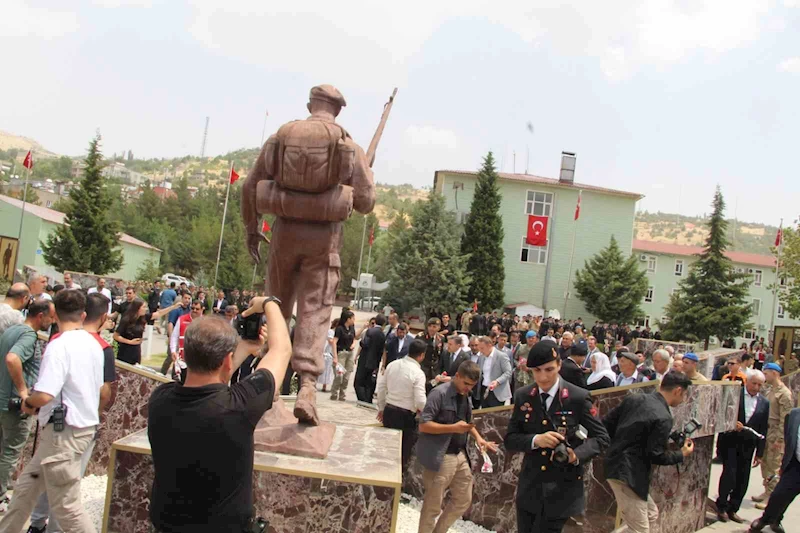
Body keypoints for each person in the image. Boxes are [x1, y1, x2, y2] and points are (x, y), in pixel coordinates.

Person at [241, 84, 376, 426]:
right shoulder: (348, 144)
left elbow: (250, 185)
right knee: (315, 309)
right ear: (338, 110)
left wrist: (251, 228)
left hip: (283, 233)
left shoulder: (283, 135)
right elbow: (365, 203)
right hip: (323, 239)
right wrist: (365, 174)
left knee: (276, 306)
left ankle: (267, 386)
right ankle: (308, 387)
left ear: (310, 105)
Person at [148, 297, 292, 532]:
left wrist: (243, 348)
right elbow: (282, 349)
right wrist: (268, 302)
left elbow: (200, 380)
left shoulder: (160, 401)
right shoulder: (237, 408)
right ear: (227, 360)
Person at [0, 290, 104, 532]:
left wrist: (28, 401)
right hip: (72, 430)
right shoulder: (94, 345)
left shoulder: (59, 345)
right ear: (84, 314)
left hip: (63, 434)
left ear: (55, 312)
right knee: (25, 491)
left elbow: (45, 394)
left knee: (67, 508)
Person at [27, 292, 119, 533]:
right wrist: (96, 416)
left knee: (46, 480)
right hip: (80, 427)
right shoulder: (101, 348)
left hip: (54, 423)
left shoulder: (59, 339)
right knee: (68, 488)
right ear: (103, 317)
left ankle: (36, 524)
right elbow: (104, 391)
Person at [504, 340, 609, 533]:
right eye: (537, 371)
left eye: (549, 369)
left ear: (559, 365)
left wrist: (575, 455)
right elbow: (510, 439)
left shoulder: (577, 397)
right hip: (530, 488)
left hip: (561, 489)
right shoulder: (524, 396)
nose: (543, 377)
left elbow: (601, 437)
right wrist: (536, 440)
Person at [603, 372, 695, 533]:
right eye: (685, 394)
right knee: (640, 529)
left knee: (651, 514)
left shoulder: (635, 398)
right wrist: (681, 454)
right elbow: (656, 455)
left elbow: (606, 424)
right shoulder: (664, 417)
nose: (684, 399)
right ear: (678, 390)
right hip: (627, 475)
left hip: (619, 466)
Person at [416, 360, 498, 533]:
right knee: (433, 506)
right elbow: (424, 425)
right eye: (466, 383)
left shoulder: (464, 395)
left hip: (460, 454)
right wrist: (453, 428)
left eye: (472, 385)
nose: (468, 388)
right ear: (457, 376)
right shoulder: (439, 393)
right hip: (440, 455)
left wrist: (479, 439)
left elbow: (467, 422)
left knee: (463, 499)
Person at [0, 299, 55, 511]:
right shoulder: (28, 335)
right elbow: (13, 359)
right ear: (40, 316)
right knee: (10, 452)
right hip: (15, 405)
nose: (52, 321)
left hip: (4, 400)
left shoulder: (11, 330)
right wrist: (24, 391)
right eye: (50, 317)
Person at [716, 370, 769, 523]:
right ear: (747, 381)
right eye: (754, 383)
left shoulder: (764, 403)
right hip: (731, 442)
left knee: (742, 478)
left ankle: (734, 508)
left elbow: (763, 428)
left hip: (749, 446)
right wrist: (732, 424)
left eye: (760, 385)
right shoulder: (735, 395)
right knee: (729, 475)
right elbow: (722, 416)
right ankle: (722, 506)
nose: (756, 387)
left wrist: (760, 452)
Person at [376, 338, 427, 479]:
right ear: (422, 355)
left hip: (389, 411)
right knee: (402, 455)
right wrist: (427, 413)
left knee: (386, 450)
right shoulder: (418, 373)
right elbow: (421, 400)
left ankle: (381, 480)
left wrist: (381, 408)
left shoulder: (393, 365)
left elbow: (381, 388)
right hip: (405, 417)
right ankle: (396, 484)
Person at [749, 407, 800, 533]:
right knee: (780, 494)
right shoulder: (794, 415)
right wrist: (784, 465)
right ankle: (768, 520)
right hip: (796, 465)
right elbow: (790, 441)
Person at [754, 362, 794, 510]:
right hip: (767, 431)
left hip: (777, 432)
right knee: (765, 464)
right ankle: (767, 490)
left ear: (775, 373)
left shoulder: (784, 394)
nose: (765, 376)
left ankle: (772, 495)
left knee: (774, 465)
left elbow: (786, 418)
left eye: (767, 373)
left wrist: (781, 439)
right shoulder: (770, 390)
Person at [114, 298, 182, 365]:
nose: (145, 309)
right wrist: (129, 342)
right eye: (143, 307)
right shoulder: (126, 320)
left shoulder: (143, 318)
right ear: (137, 308)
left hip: (136, 350)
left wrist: (173, 307)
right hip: (125, 350)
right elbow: (116, 336)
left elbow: (159, 313)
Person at [168, 300, 205, 382]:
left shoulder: (206, 322)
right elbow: (174, 336)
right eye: (192, 308)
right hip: (181, 359)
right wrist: (173, 351)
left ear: (202, 309)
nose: (194, 310)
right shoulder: (182, 319)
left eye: (197, 309)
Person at [355, 315, 386, 403]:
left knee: (359, 382)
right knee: (370, 382)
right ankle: (368, 399)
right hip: (375, 361)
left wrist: (361, 342)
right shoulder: (382, 334)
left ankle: (362, 399)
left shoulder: (370, 331)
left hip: (365, 359)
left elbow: (365, 344)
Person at [476, 336, 513, 407]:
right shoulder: (481, 357)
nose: (480, 351)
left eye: (482, 348)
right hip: (484, 389)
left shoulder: (501, 356)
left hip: (497, 391)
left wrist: (497, 381)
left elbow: (508, 372)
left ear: (489, 345)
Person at [330, 310, 356, 401]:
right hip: (341, 353)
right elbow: (334, 342)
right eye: (353, 318)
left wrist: (353, 344)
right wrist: (335, 357)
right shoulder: (339, 329)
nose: (354, 320)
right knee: (339, 375)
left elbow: (354, 338)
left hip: (349, 353)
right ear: (348, 319)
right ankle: (334, 392)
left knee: (347, 376)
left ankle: (342, 394)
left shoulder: (352, 327)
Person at [419, 318, 444, 393]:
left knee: (432, 390)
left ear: (439, 328)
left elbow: (440, 355)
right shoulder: (421, 337)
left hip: (434, 370)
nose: (431, 329)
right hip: (423, 367)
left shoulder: (441, 338)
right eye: (430, 326)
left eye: (434, 326)